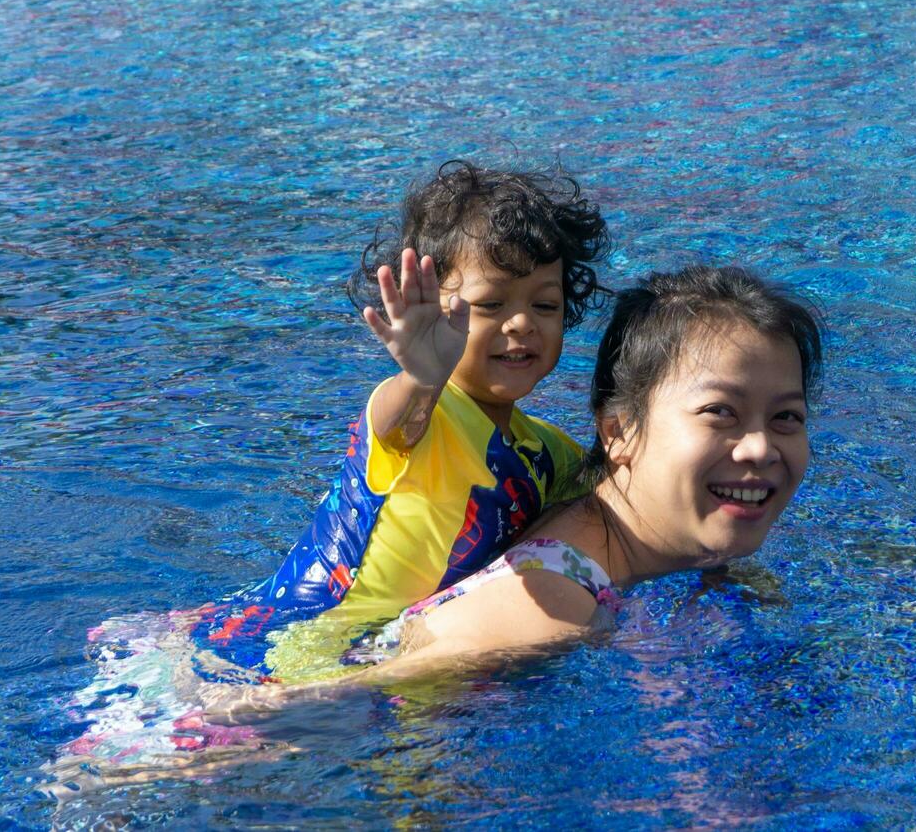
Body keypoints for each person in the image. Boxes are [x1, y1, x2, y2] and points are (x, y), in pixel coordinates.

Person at [196, 264, 823, 718]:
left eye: (786, 418)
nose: (761, 448)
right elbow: (323, 704)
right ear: (619, 431)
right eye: (720, 412)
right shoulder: (552, 605)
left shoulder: (594, 513)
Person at [190, 160, 610, 682]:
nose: (522, 322)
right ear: (432, 306)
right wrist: (423, 377)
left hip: (384, 651)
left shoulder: (546, 451)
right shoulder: (427, 414)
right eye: (491, 303)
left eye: (545, 304)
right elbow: (396, 423)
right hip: (291, 647)